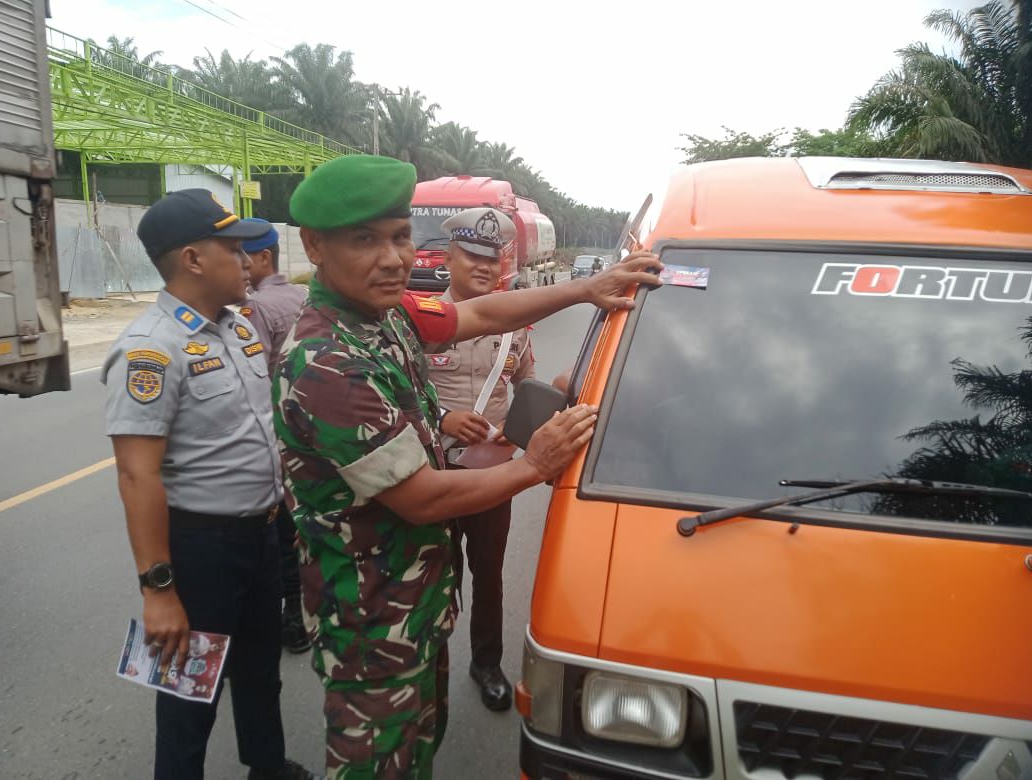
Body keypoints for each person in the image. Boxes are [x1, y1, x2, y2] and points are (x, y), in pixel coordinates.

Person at [274, 154, 662, 779]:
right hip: (373, 621)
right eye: (365, 240)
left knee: (420, 745)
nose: (392, 257)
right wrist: (535, 464)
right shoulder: (329, 364)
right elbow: (421, 498)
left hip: (415, 600)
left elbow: (478, 315)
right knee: (378, 765)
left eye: (400, 237)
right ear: (314, 246)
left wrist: (588, 287)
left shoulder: (387, 314)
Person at [102, 189, 319, 780]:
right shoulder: (150, 351)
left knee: (258, 670)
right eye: (233, 249)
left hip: (262, 533)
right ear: (194, 259)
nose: (248, 260)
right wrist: (158, 590)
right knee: (187, 693)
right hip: (201, 550)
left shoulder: (239, 329)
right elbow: (137, 474)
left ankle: (267, 768)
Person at [427, 207, 533, 711]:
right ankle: (428, 662)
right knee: (432, 572)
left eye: (492, 259)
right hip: (432, 471)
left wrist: (521, 433)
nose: (483, 267)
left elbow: (524, 386)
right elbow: (394, 391)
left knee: (488, 571)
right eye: (471, 255)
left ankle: (486, 662)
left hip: (492, 473)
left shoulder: (516, 324)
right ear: (449, 257)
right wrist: (444, 415)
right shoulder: (418, 320)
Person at [238, 217, 311, 654]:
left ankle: (290, 623)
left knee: (281, 537)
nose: (239, 267)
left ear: (264, 257)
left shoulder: (255, 309)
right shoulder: (302, 295)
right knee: (298, 532)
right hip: (310, 431)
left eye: (242, 258)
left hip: (275, 438)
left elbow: (256, 379)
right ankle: (301, 620)